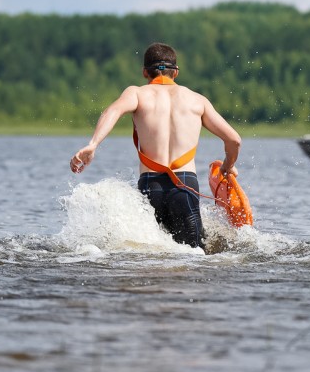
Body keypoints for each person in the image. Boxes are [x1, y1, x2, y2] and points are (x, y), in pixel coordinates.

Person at [69, 42, 242, 250]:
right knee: (195, 254)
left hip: (151, 185)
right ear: (175, 72)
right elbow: (234, 140)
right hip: (184, 185)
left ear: (145, 72)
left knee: (151, 255)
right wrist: (227, 166)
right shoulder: (197, 100)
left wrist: (93, 144)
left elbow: (111, 111)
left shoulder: (137, 94)